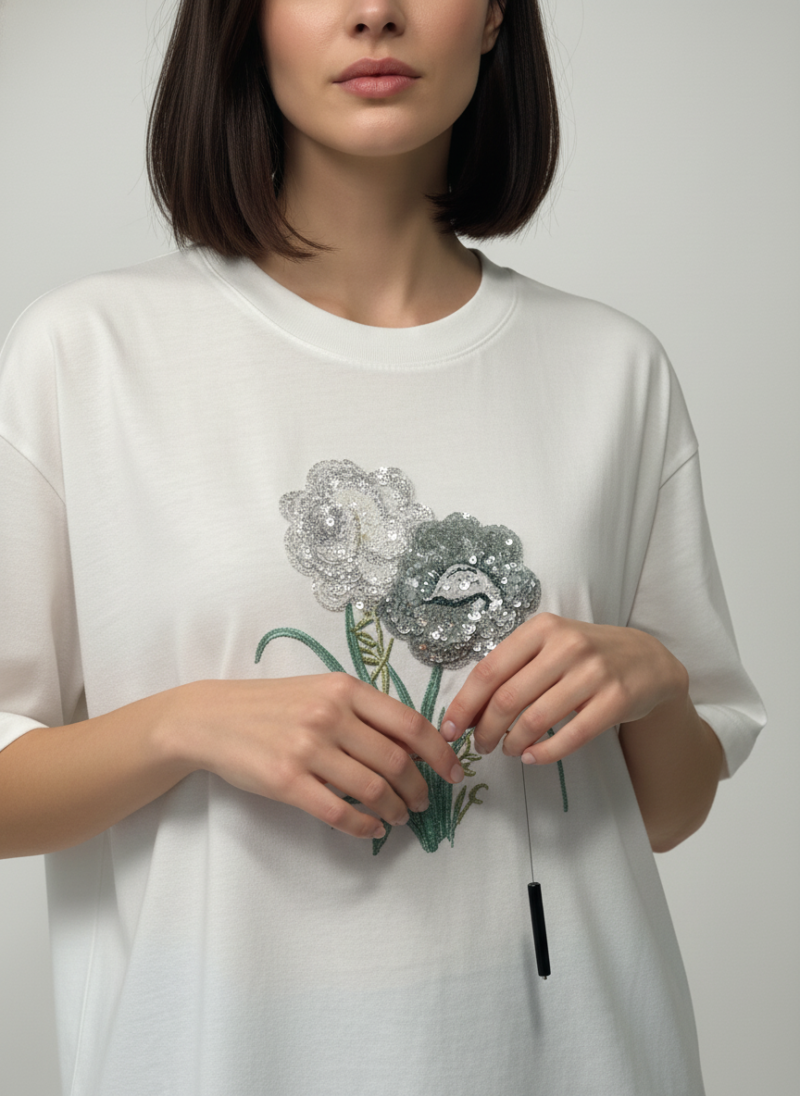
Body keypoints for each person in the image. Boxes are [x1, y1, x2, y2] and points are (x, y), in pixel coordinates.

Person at [0, 1, 766, 1094]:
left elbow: (667, 811)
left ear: (492, 17)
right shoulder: (88, 355)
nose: (375, 13)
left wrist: (653, 679)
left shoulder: (610, 370)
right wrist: (185, 724)